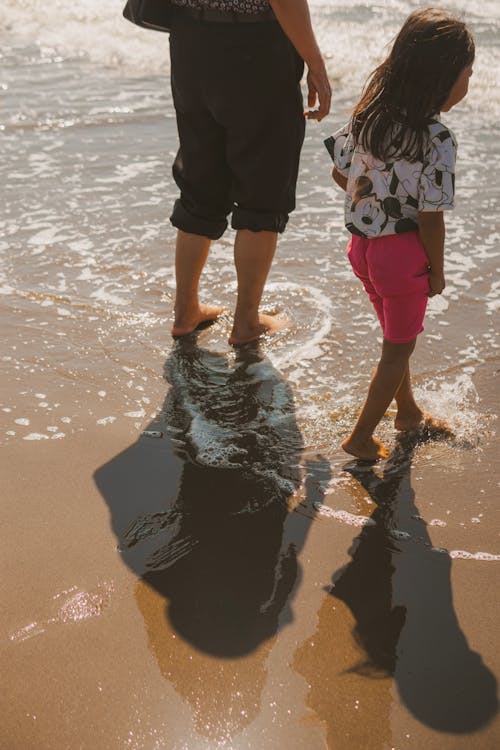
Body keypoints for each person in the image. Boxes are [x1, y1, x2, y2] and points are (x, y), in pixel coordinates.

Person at [324, 7, 474, 461]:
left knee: (394, 337)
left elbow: (340, 173)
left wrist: (377, 193)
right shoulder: (437, 137)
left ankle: (407, 412)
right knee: (396, 349)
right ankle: (361, 436)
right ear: (443, 77)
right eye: (468, 74)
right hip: (403, 256)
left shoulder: (370, 114)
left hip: (363, 248)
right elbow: (431, 217)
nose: (468, 84)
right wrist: (437, 269)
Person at [168, 0, 331, 345]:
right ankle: (246, 323)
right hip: (253, 44)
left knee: (200, 181)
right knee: (263, 190)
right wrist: (316, 64)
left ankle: (185, 311)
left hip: (189, 42)